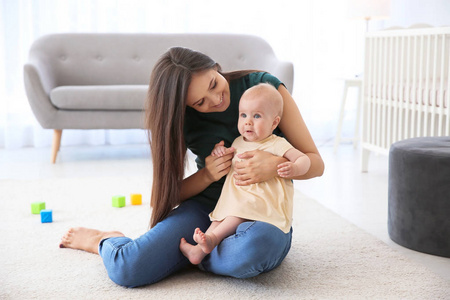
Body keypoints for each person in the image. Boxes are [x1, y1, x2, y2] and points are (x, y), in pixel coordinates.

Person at [59, 47, 324, 288]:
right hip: (208, 212)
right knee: (128, 268)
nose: (215, 99)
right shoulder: (182, 119)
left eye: (213, 83)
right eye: (200, 102)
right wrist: (207, 174)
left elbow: (316, 163)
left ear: (216, 67)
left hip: (262, 212)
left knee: (256, 247)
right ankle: (104, 240)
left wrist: (275, 165)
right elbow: (162, 196)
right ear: (186, 106)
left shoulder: (263, 91)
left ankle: (195, 254)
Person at [179, 83, 311, 265]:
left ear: (274, 122)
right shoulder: (238, 141)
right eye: (243, 115)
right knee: (219, 217)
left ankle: (213, 241)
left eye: (257, 116)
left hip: (259, 202)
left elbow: (304, 159)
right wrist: (219, 152)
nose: (248, 121)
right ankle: (198, 251)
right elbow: (229, 158)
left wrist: (294, 168)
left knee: (235, 215)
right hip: (236, 198)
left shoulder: (276, 144)